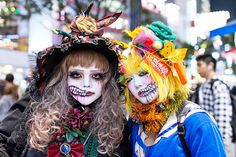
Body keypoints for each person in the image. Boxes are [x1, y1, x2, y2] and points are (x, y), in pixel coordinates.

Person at [0, 3, 131, 157]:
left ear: (108, 80)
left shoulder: (116, 121)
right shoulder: (36, 101)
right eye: (76, 74)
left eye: (97, 76)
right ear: (63, 76)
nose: (86, 84)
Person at [118, 21, 226, 156]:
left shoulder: (198, 123)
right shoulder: (135, 122)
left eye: (143, 73)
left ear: (165, 73)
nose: (137, 84)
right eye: (128, 79)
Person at [196, 54, 235, 157]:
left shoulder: (218, 85)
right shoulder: (203, 86)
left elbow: (223, 117)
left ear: (210, 65)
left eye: (200, 65)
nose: (197, 68)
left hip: (219, 142)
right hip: (208, 139)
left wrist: (222, 143)